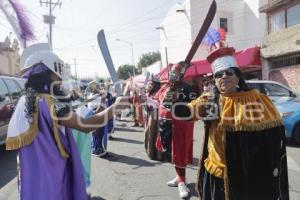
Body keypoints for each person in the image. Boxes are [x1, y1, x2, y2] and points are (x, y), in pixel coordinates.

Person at [5, 43, 128, 200]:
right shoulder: (50, 103)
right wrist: (116, 107)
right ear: (49, 73)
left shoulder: (24, 101)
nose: (61, 79)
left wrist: (98, 102)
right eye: (58, 75)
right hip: (53, 178)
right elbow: (85, 125)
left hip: (32, 177)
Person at [188, 47, 289, 200]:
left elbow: (272, 139)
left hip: (247, 177)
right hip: (215, 173)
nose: (224, 77)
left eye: (229, 72)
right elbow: (186, 113)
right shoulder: (209, 100)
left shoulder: (258, 99)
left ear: (238, 76)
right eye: (219, 75)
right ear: (214, 80)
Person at [157, 62, 196, 198]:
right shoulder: (165, 87)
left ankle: (182, 181)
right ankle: (178, 177)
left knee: (179, 153)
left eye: (175, 73)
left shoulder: (186, 88)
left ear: (180, 75)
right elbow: (159, 102)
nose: (172, 75)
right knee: (171, 153)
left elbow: (192, 107)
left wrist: (176, 101)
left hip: (179, 126)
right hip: (164, 125)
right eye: (171, 72)